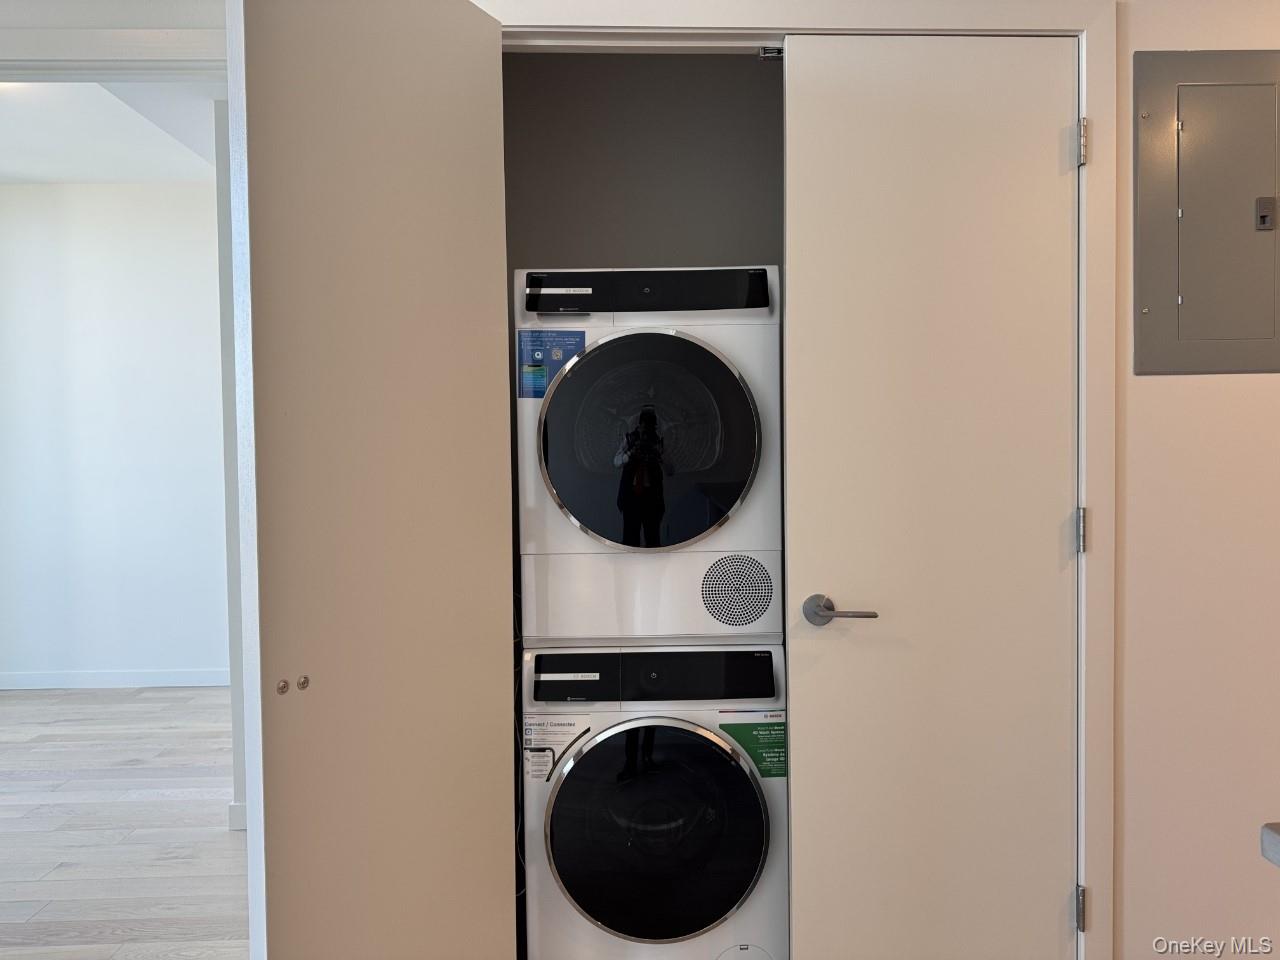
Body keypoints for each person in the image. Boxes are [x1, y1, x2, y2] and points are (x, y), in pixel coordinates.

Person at [613, 406, 669, 547]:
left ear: (654, 428)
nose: (645, 434)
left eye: (649, 429)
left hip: (652, 497)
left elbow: (671, 470)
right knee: (630, 538)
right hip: (631, 496)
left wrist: (660, 455)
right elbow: (616, 462)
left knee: (652, 538)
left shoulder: (658, 442)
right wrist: (630, 453)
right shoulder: (630, 439)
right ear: (639, 425)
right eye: (643, 428)